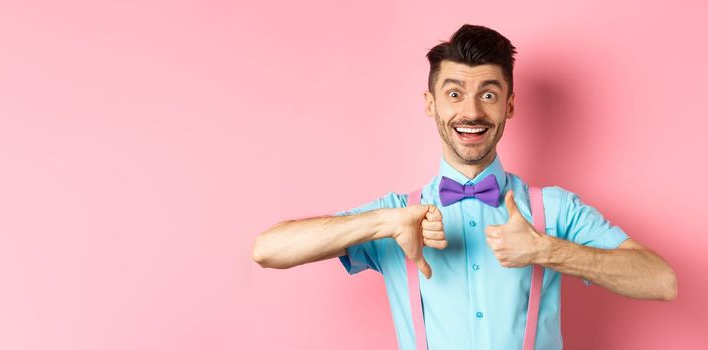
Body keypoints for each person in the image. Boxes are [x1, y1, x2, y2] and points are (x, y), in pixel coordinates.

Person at [250, 24, 677, 349]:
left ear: (509, 104)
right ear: (430, 103)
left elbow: (662, 281)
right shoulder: (399, 214)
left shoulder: (555, 211)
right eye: (454, 94)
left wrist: (547, 250)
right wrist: (384, 222)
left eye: (488, 94)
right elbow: (268, 249)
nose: (471, 111)